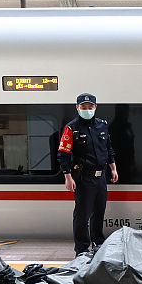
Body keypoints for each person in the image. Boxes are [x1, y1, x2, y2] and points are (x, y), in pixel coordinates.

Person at [57, 92, 118, 254]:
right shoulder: (71, 128)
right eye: (83, 107)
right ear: (77, 108)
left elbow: (108, 148)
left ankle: (98, 243)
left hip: (101, 177)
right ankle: (82, 249)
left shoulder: (102, 125)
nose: (87, 110)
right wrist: (68, 177)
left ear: (95, 107)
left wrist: (113, 168)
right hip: (83, 178)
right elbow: (63, 154)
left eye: (90, 107)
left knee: (99, 212)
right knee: (82, 215)